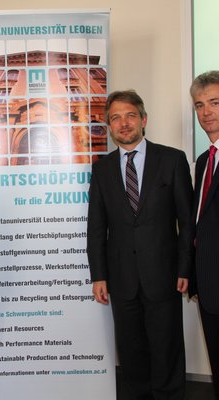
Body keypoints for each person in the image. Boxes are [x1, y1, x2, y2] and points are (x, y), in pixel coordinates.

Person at [87, 90, 193, 400]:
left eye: (130, 115)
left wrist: (185, 267)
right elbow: (96, 226)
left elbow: (187, 222)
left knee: (166, 349)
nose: (123, 123)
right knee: (131, 353)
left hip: (165, 275)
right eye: (115, 118)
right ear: (109, 125)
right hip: (122, 279)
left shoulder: (172, 160)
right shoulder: (102, 169)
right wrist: (99, 276)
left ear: (143, 119)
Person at [189, 70, 219, 400]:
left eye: (215, 102)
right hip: (208, 285)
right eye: (199, 105)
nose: (206, 112)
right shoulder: (203, 160)